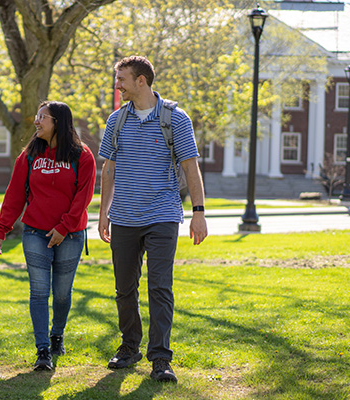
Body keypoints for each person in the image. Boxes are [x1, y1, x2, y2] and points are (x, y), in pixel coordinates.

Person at [98, 56, 208, 383]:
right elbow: (109, 168)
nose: (118, 85)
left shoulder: (176, 119)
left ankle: (160, 358)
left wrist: (198, 214)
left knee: (160, 288)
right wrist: (104, 212)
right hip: (124, 218)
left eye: (122, 79)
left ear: (141, 81)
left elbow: (190, 167)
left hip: (162, 215)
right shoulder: (116, 120)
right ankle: (129, 346)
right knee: (124, 288)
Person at [0, 101, 96, 371]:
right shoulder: (29, 155)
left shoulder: (82, 156)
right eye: (36, 116)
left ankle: (57, 334)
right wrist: (2, 228)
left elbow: (83, 196)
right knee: (39, 292)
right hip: (36, 233)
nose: (36, 122)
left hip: (71, 235)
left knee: (61, 294)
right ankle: (42, 351)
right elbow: (15, 194)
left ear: (58, 122)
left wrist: (63, 228)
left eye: (42, 117)